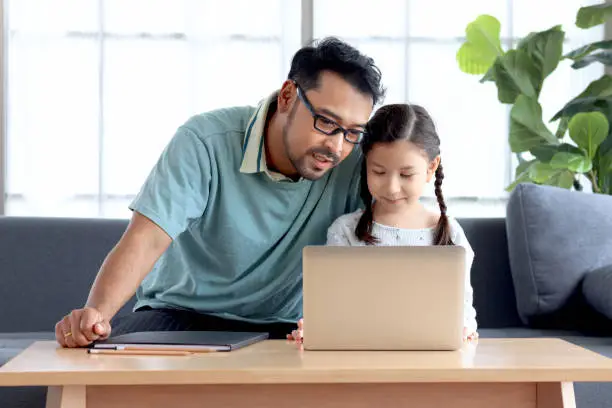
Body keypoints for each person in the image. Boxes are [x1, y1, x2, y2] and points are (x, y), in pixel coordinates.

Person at [55, 37, 385, 348]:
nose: (336, 146)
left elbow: (392, 232)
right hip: (181, 314)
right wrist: (96, 314)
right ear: (287, 97)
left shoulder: (356, 162)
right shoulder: (205, 140)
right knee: (105, 365)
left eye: (353, 131)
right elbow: (147, 239)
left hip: (285, 325)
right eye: (326, 122)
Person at [288, 103, 478, 344]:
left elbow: (464, 312)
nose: (391, 187)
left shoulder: (449, 233)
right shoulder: (345, 231)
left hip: (433, 358)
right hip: (360, 356)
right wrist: (315, 327)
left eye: (406, 175)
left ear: (431, 168)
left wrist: (464, 329)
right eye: (378, 172)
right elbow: (332, 307)